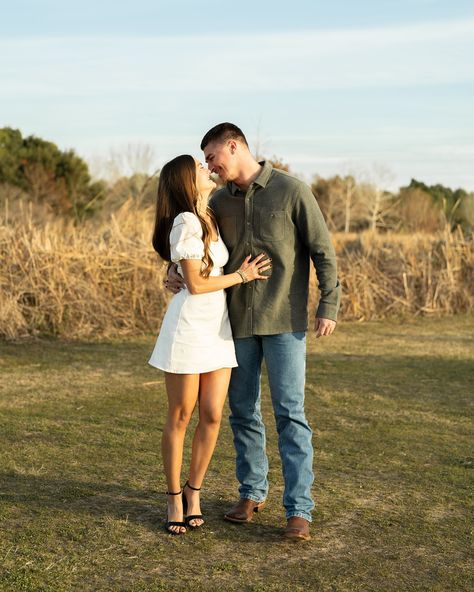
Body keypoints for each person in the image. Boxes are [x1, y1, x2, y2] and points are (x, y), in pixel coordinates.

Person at [167, 124, 341, 541]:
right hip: (233, 325)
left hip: (285, 321)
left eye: (212, 157)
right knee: (242, 412)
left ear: (234, 146)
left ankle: (299, 510)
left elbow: (323, 251)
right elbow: (195, 249)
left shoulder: (292, 190)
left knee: (289, 414)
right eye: (205, 162)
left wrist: (328, 305)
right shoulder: (215, 202)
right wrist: (172, 273)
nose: (210, 166)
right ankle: (251, 492)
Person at [148, 154, 271, 535]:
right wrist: (241, 275)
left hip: (217, 329)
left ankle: (193, 491)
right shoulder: (185, 221)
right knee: (181, 415)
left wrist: (173, 271)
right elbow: (197, 285)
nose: (207, 170)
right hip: (188, 328)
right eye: (199, 169)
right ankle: (172, 498)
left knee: (213, 415)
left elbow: (195, 272)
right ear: (186, 182)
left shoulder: (210, 215)